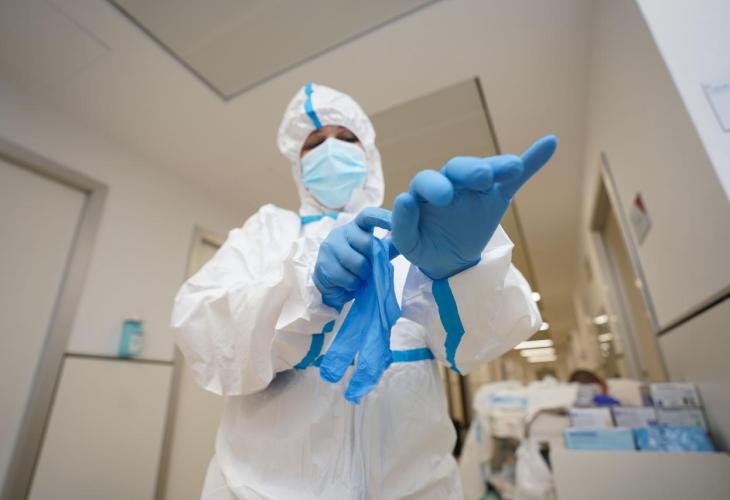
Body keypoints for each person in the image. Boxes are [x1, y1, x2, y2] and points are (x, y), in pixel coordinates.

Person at [171, 82, 556, 499]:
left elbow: (482, 343)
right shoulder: (267, 233)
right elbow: (204, 333)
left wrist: (461, 272)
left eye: (345, 136)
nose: (330, 149)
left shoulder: (408, 237)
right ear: (298, 163)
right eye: (314, 142)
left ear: (367, 153)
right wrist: (308, 289)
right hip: (258, 489)